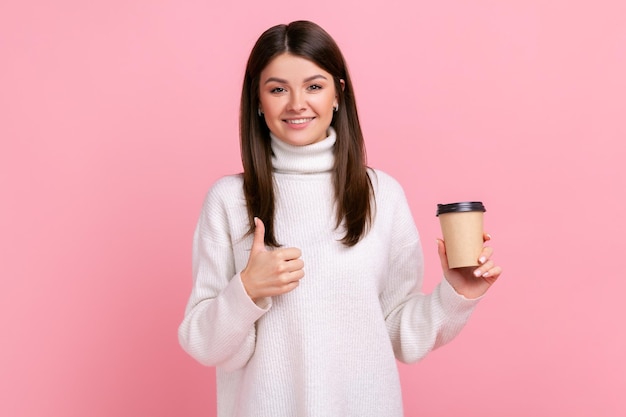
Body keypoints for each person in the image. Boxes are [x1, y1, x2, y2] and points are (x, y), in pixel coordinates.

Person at [178, 20, 502, 417]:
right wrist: (246, 291)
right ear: (258, 102)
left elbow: (399, 335)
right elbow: (207, 346)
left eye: (314, 86)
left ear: (337, 94)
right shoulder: (229, 200)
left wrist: (458, 293)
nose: (297, 103)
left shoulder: (380, 195)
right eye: (278, 89)